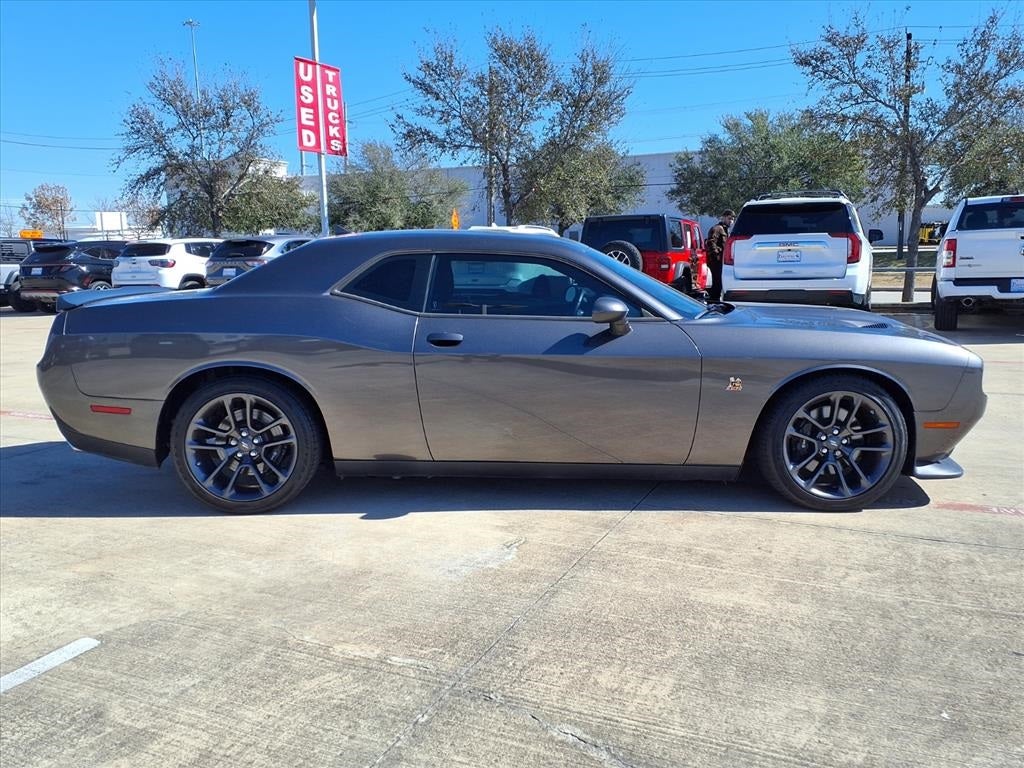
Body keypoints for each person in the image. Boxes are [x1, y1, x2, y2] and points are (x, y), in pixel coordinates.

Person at [704, 209, 735, 302]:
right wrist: (717, 255)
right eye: (729, 218)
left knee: (720, 284)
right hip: (715, 262)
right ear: (724, 217)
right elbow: (710, 242)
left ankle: (717, 301)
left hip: (722, 262)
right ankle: (713, 302)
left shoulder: (726, 230)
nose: (731, 221)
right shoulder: (717, 228)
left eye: (733, 219)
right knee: (716, 284)